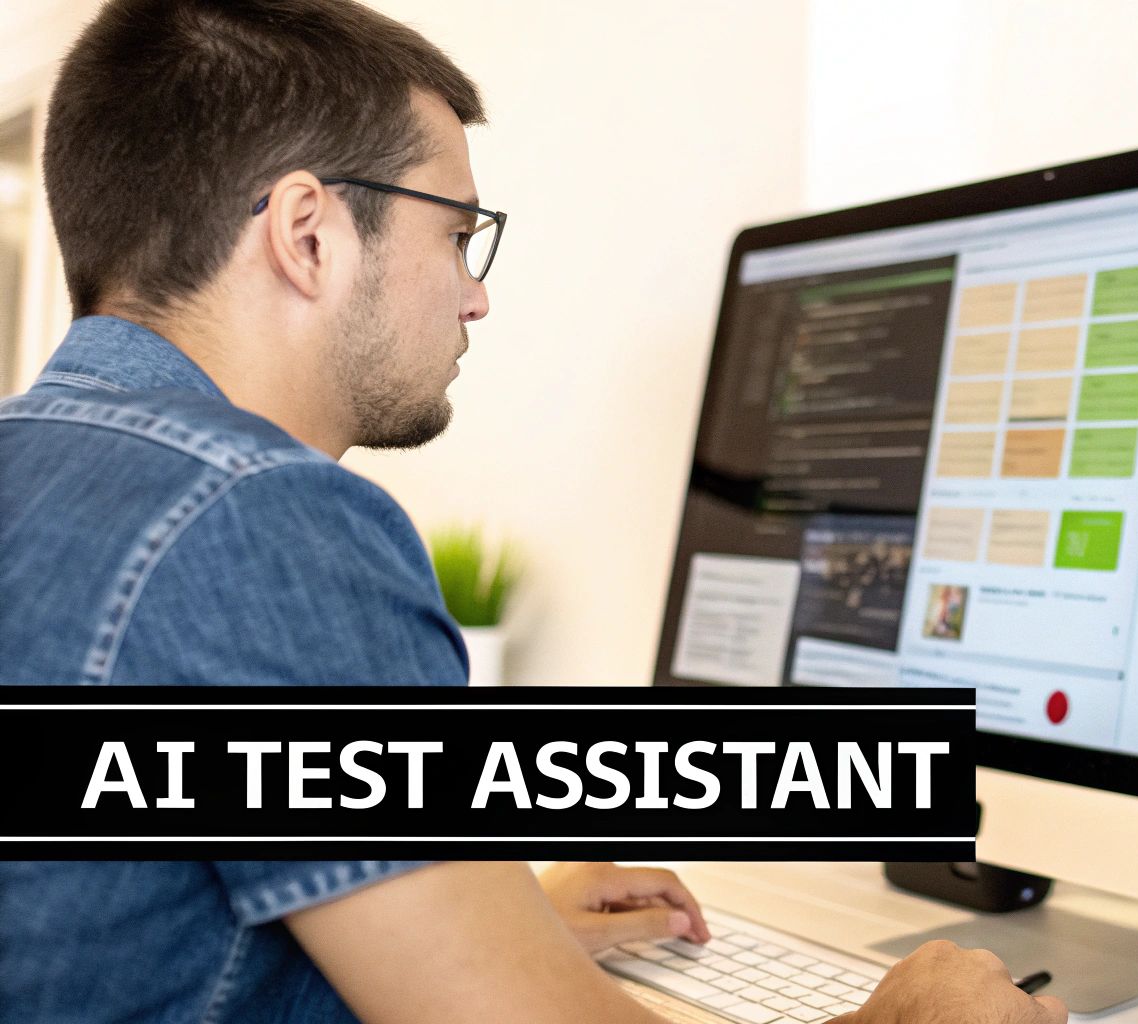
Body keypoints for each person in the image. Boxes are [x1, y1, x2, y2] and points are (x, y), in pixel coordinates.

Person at [0, 2, 1067, 1023]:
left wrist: (490, 931)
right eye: (460, 234)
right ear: (308, 234)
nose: (476, 294)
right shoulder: (264, 520)